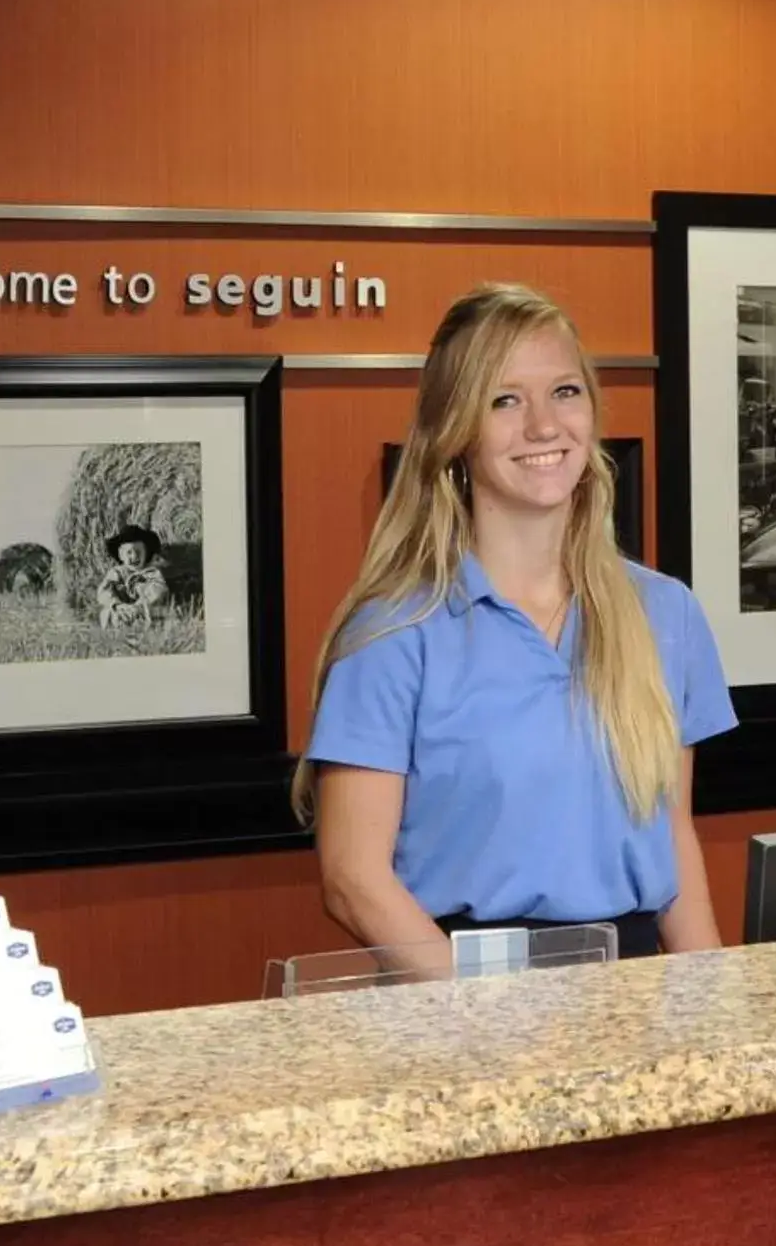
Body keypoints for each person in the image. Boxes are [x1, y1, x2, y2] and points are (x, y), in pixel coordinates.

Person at [291, 283, 736, 962]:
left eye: (564, 392)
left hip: (640, 991)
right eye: (505, 400)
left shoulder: (665, 611)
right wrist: (487, 1020)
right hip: (462, 994)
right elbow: (354, 880)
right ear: (456, 431)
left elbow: (671, 836)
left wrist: (713, 1012)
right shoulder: (390, 633)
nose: (543, 427)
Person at [94, 525, 171, 629]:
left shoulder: (152, 572)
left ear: (146, 553)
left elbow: (159, 589)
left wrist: (139, 606)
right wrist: (117, 605)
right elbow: (104, 591)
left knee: (162, 614)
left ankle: (145, 629)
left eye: (139, 552)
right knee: (106, 613)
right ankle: (117, 630)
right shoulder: (117, 572)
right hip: (123, 610)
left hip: (144, 609)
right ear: (121, 555)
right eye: (129, 553)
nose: (134, 556)